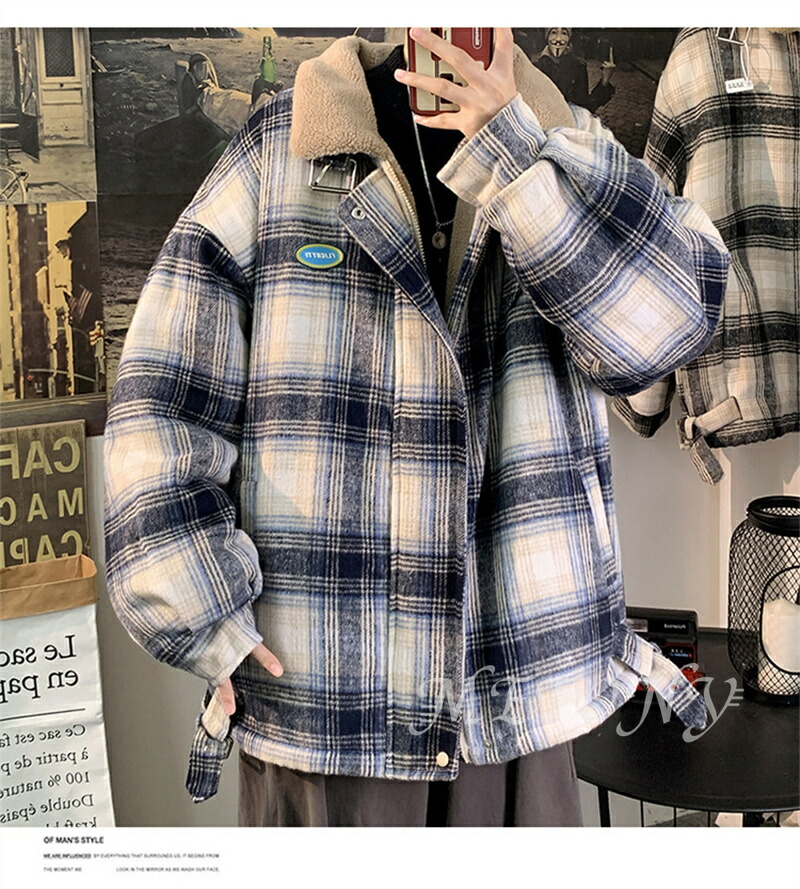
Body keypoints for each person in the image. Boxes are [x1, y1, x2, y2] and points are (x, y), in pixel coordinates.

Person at [104, 29, 729, 827]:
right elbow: (160, 401)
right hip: (326, 698)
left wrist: (517, 154)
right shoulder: (279, 153)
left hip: (517, 697)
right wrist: (200, 609)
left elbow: (669, 331)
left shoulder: (569, 146)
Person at [533, 27, 615, 113]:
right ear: (547, 36)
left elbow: (584, 108)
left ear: (569, 37)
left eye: (564, 33)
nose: (558, 39)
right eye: (554, 32)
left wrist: (604, 81)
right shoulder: (535, 68)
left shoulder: (578, 67)